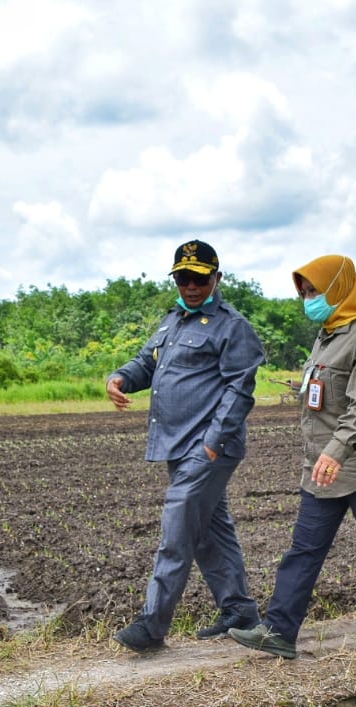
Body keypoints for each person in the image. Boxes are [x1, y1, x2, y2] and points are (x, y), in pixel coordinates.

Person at [230, 254, 356, 659]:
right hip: (322, 465)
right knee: (304, 548)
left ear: (339, 287)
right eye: (304, 292)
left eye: (314, 291)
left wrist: (337, 450)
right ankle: (279, 630)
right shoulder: (327, 335)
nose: (308, 299)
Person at [107, 240, 264, 653]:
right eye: (182, 278)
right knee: (211, 531)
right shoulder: (174, 320)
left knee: (177, 533)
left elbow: (239, 391)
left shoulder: (233, 326)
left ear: (217, 278)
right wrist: (121, 378)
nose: (190, 286)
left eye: (199, 278)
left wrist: (212, 445)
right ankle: (240, 611)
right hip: (176, 446)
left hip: (206, 448)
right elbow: (148, 362)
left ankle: (152, 625)